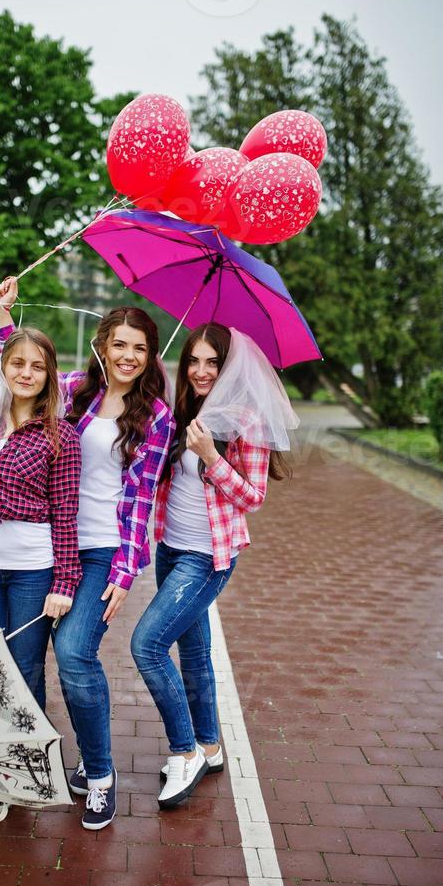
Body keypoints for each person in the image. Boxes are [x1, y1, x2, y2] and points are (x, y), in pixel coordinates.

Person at [0, 278, 175, 829]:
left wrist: (125, 571)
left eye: (140, 347)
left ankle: (100, 774)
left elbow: (142, 501)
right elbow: (23, 373)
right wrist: (2, 319)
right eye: (119, 344)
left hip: (101, 554)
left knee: (74, 654)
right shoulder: (73, 390)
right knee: (26, 659)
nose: (129, 356)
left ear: (150, 355)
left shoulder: (157, 417)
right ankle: (33, 761)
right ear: (103, 345)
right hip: (46, 543)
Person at [130, 322, 298, 808]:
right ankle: (209, 742)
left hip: (208, 558)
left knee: (147, 645)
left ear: (228, 368)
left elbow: (254, 497)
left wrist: (210, 456)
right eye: (195, 361)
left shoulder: (247, 422)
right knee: (195, 652)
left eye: (213, 363)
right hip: (171, 548)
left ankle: (185, 752)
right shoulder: (179, 408)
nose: (202, 371)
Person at [0, 324, 82, 816]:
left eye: (37, 365)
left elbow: (66, 512)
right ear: (3, 367)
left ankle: (28, 764)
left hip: (31, 568)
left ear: (49, 375)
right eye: (18, 363)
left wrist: (65, 582)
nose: (26, 373)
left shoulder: (61, 435)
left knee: (24, 669)